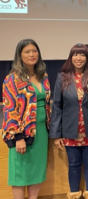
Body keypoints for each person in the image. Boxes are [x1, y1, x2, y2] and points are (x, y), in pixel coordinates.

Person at [49, 43, 88, 199]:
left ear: (87, 57)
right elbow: (57, 106)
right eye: (75, 54)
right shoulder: (62, 77)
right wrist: (56, 135)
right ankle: (74, 193)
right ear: (71, 57)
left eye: (82, 54)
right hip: (70, 131)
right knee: (74, 164)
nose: (79, 58)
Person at [2, 39, 51, 199]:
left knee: (36, 171)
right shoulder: (12, 79)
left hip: (41, 132)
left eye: (34, 51)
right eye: (27, 52)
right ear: (20, 55)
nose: (32, 54)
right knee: (20, 172)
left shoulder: (43, 75)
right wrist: (18, 137)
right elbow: (10, 110)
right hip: (22, 134)